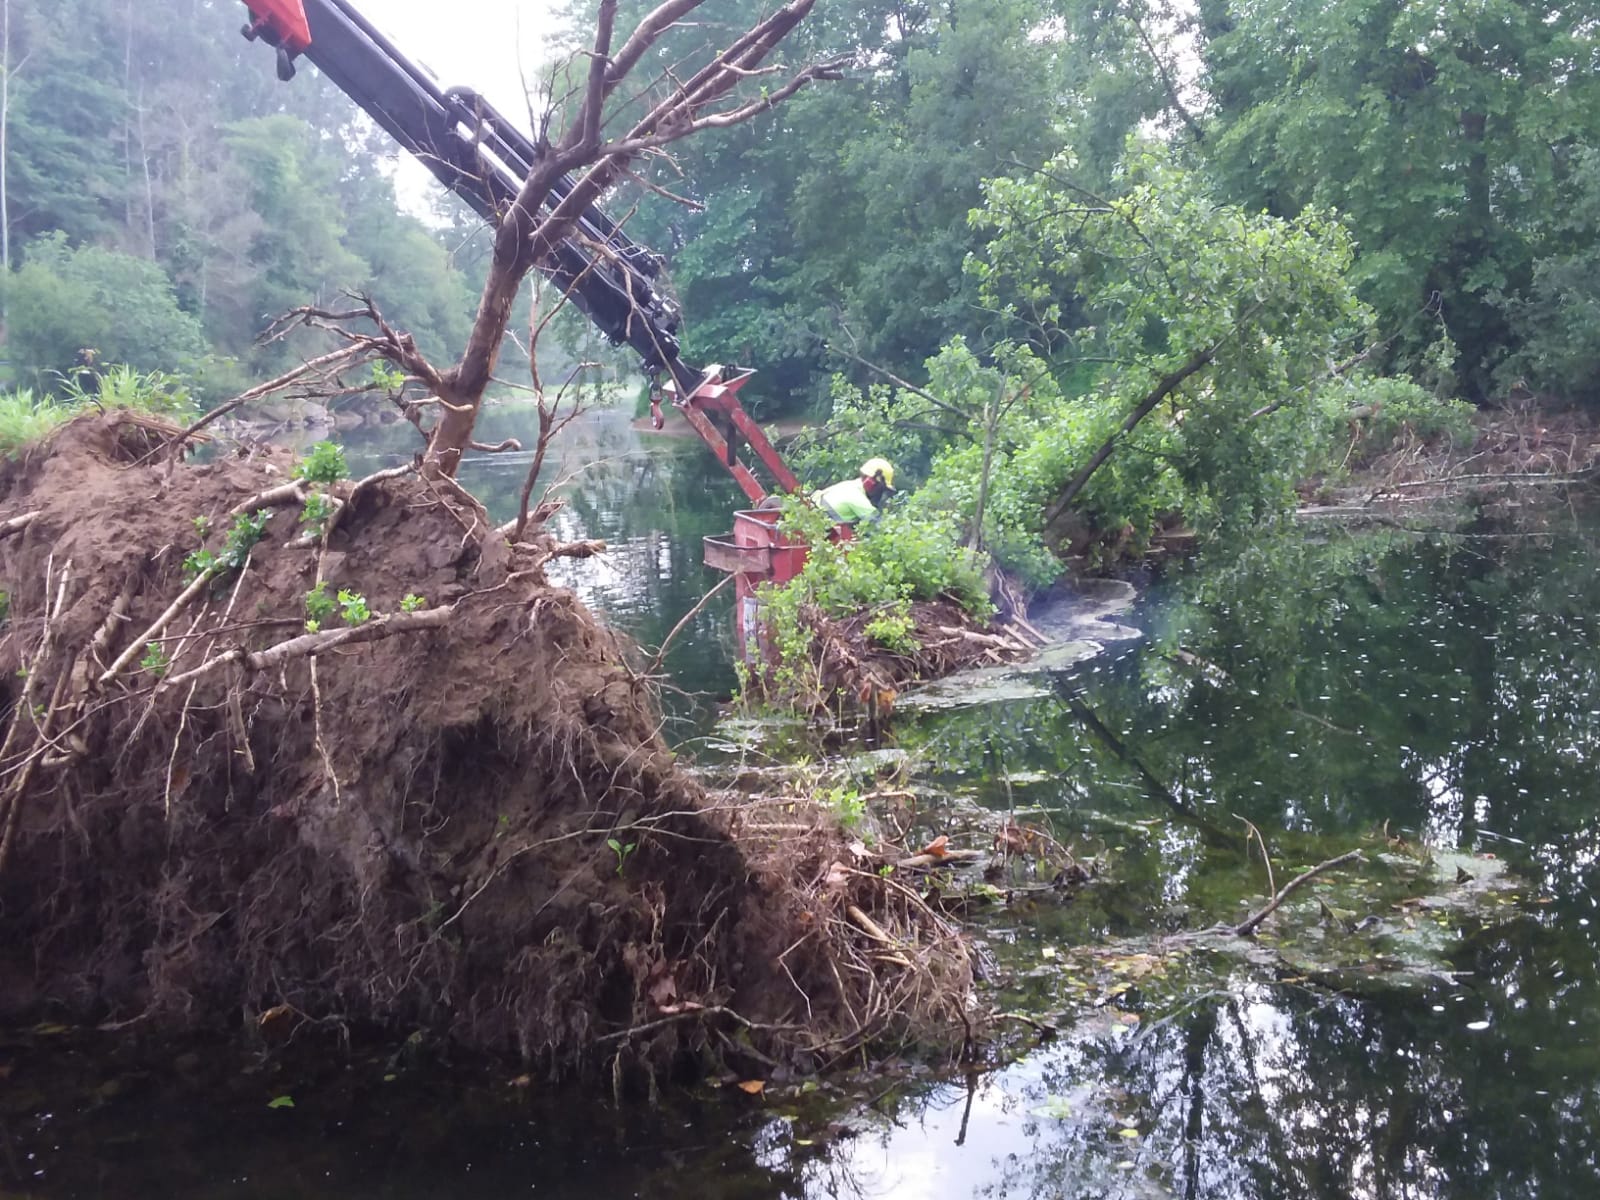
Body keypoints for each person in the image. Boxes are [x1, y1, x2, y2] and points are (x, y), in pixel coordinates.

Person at [811, 457, 896, 525]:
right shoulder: (858, 498)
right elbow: (878, 525)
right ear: (871, 482)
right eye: (881, 489)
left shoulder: (848, 485)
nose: (880, 494)